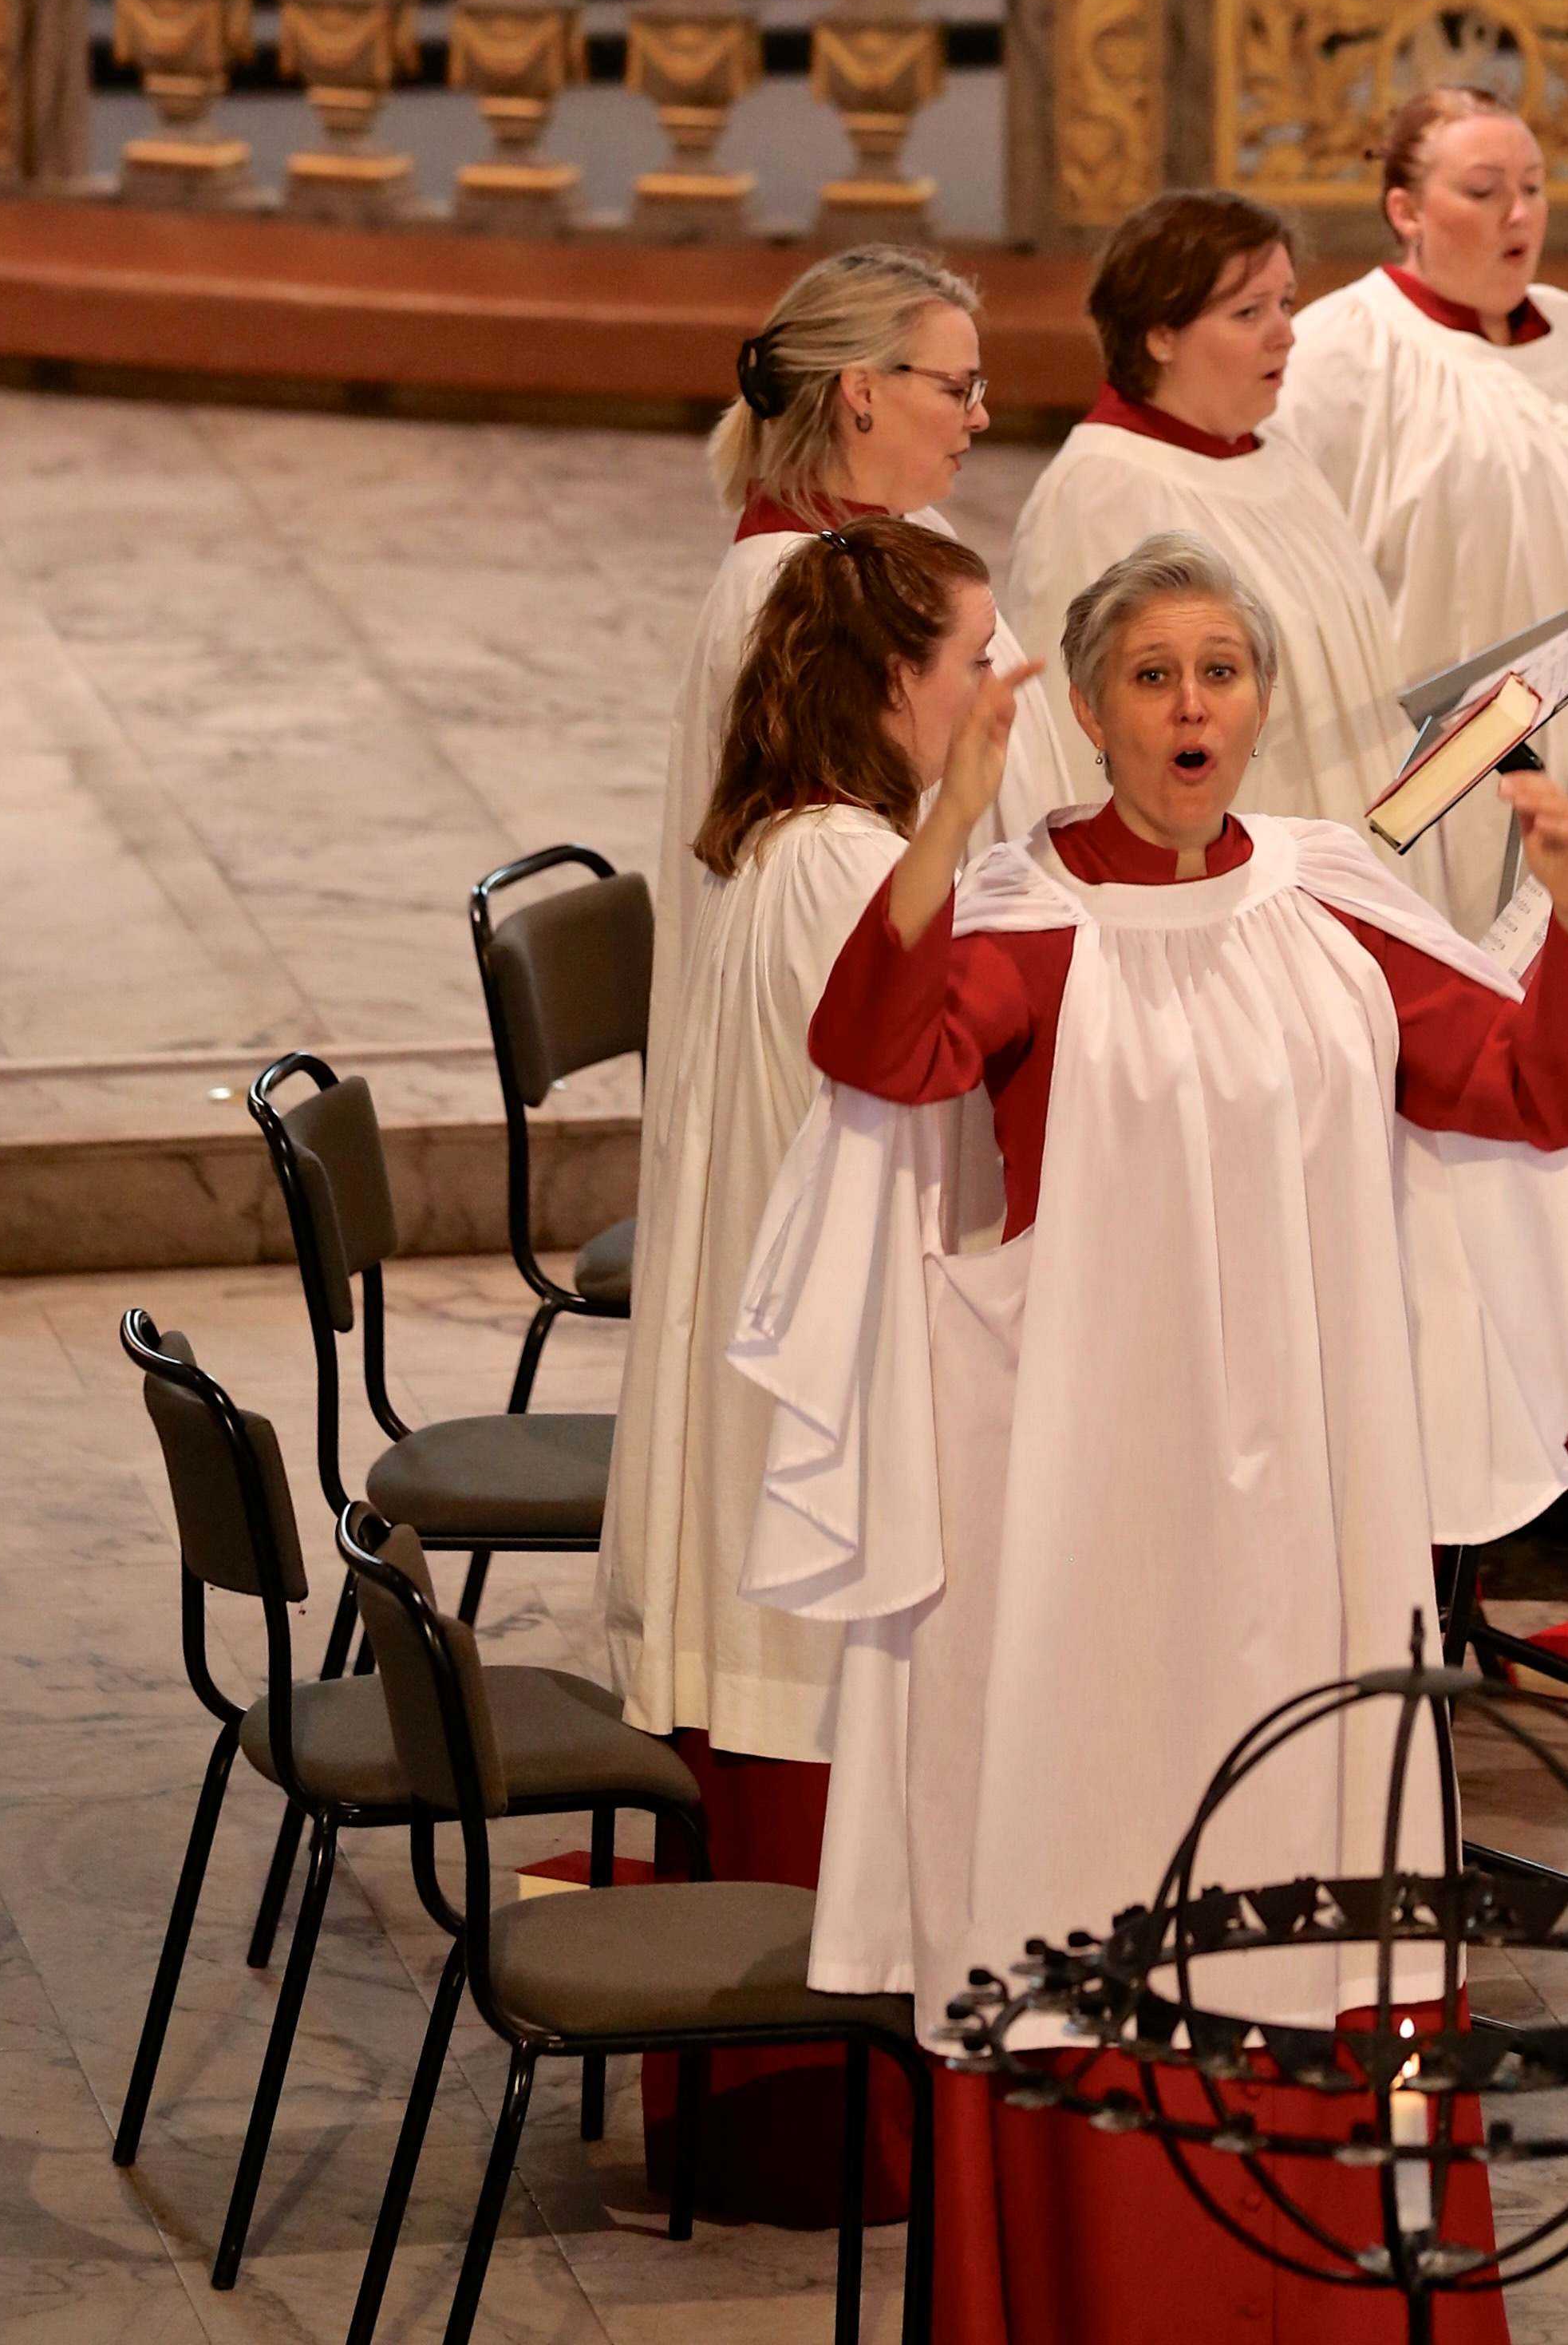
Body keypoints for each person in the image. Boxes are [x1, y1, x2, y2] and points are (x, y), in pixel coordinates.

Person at [725, 533, 1568, 2336]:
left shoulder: (1328, 899)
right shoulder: (1027, 919)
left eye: (1219, 670)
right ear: (1087, 712)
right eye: (1150, 676)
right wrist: (950, 824)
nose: (1188, 705)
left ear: (1261, 701)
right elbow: (885, 1053)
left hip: (1314, 1506)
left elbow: (1527, 1087)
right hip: (1090, 1505)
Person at [1277, 83, 1568, 1529]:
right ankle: (1484, 1473)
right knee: (1493, 1109)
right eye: (1481, 190)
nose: (1516, 215)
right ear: (1403, 208)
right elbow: (1312, 588)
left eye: (1532, 186)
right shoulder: (1342, 354)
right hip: (1449, 807)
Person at [600, 522, 995, 2220]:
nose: (995, 689)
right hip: (824, 1408)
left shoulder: (795, 842)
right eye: (973, 659)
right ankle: (817, 2144)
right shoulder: (848, 877)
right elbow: (935, 1125)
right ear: (895, 682)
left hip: (772, 1388)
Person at [650, 246, 1080, 1092]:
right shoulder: (794, 590)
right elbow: (833, 881)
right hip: (848, 1060)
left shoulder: (905, 539)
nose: (980, 417)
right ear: (862, 391)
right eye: (958, 389)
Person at [1004, 186, 1459, 908]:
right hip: (1212, 906)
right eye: (1249, 313)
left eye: (1286, 303)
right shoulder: (1100, 491)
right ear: (1160, 336)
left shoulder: (1278, 457)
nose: (1285, 334)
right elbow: (1071, 740)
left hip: (1346, 868)